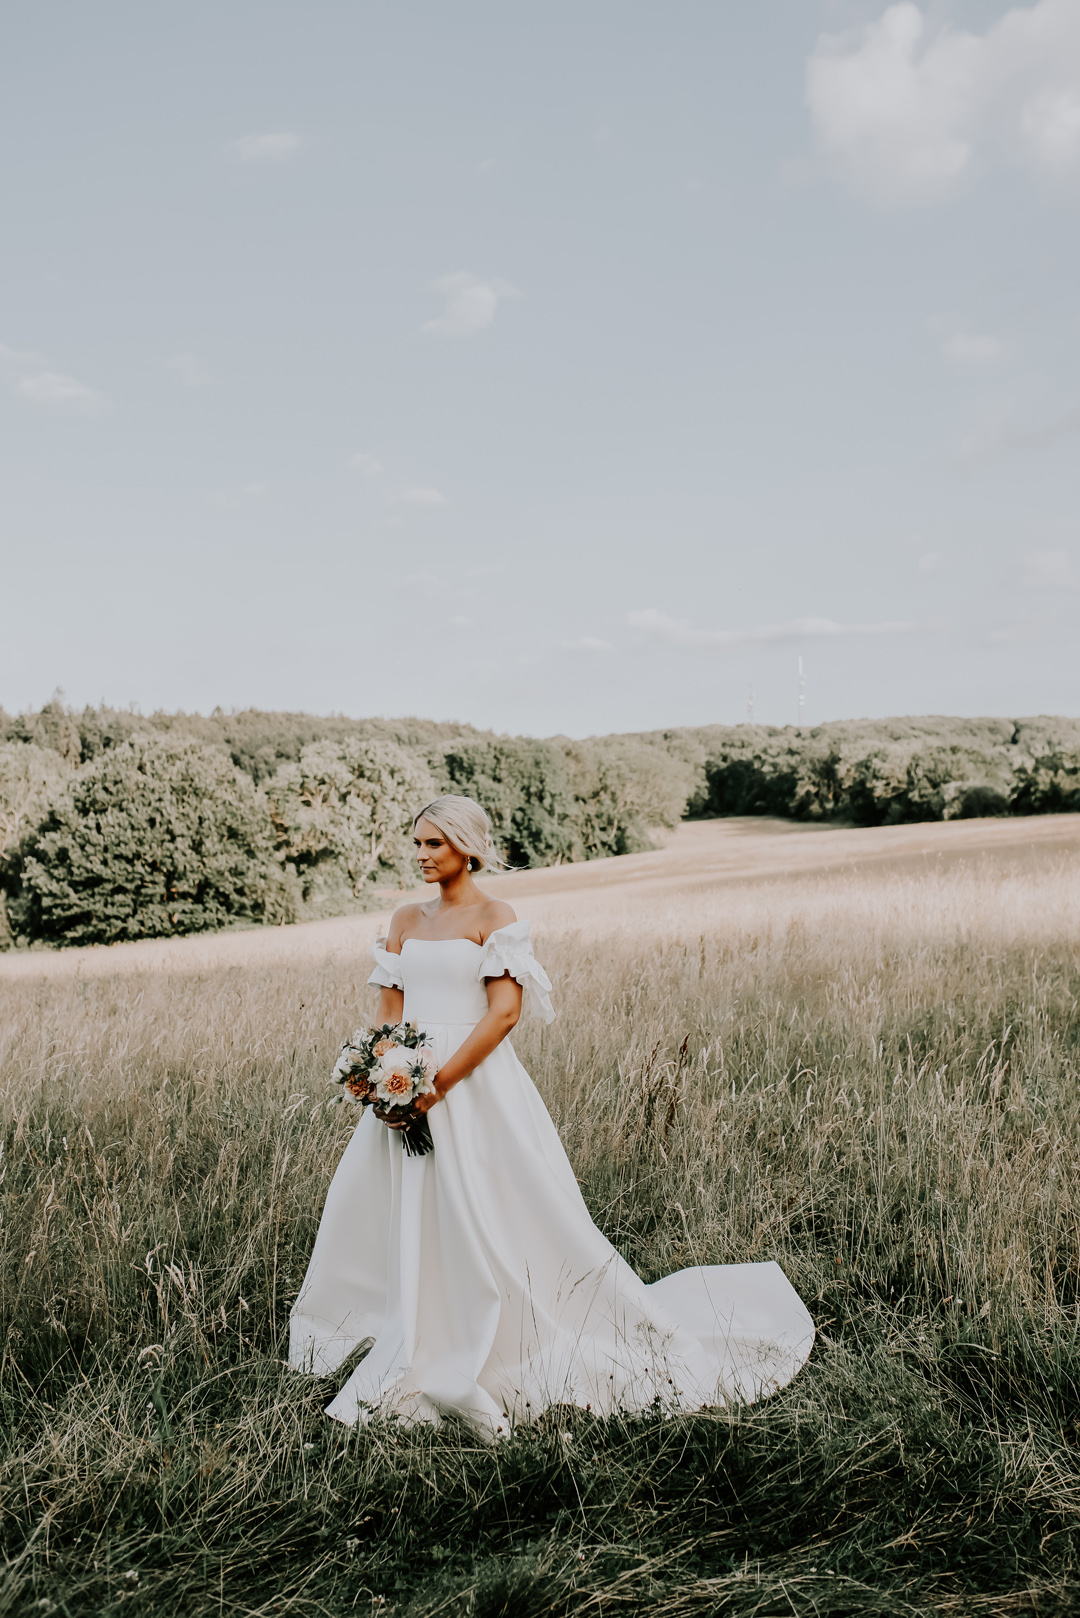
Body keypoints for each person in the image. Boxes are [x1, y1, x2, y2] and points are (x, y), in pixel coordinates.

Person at [289, 794, 814, 1433]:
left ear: (467, 848)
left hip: (472, 1086)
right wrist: (385, 1077)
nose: (422, 856)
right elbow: (388, 1012)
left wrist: (438, 1086)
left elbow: (504, 1014)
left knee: (498, 1204)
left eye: (435, 844)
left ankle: (502, 1323)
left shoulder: (495, 915)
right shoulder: (404, 920)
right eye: (418, 844)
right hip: (407, 1081)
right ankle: (410, 1316)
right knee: (400, 1203)